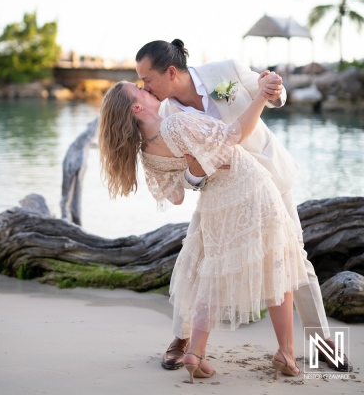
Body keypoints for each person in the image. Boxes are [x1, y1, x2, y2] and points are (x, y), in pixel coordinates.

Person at [135, 39, 352, 373]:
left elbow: (271, 95)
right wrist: (196, 173)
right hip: (220, 192)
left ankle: (321, 341)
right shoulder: (165, 114)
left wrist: (273, 87)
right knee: (195, 258)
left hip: (270, 177)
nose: (144, 86)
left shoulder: (226, 71)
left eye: (147, 79)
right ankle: (181, 340)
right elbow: (182, 181)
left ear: (171, 71)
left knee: (295, 256)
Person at [98, 76, 309, 382]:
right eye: (139, 88)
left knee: (214, 271)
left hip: (215, 201)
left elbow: (176, 194)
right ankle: (286, 354)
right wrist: (261, 97)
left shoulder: (147, 154)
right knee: (275, 263)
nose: (145, 88)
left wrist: (195, 166)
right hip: (249, 187)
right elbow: (234, 135)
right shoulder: (175, 125)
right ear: (137, 106)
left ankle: (196, 352)